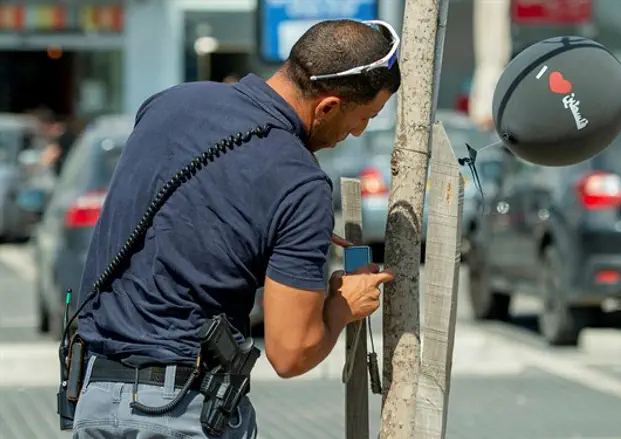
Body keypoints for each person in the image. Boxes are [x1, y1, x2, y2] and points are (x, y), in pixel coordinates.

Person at [70, 19, 400, 439]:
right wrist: (341, 307)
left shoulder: (168, 103)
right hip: (183, 413)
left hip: (97, 400)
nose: (357, 132)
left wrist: (279, 240)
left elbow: (190, 220)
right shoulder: (300, 182)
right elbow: (290, 352)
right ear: (328, 106)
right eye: (365, 117)